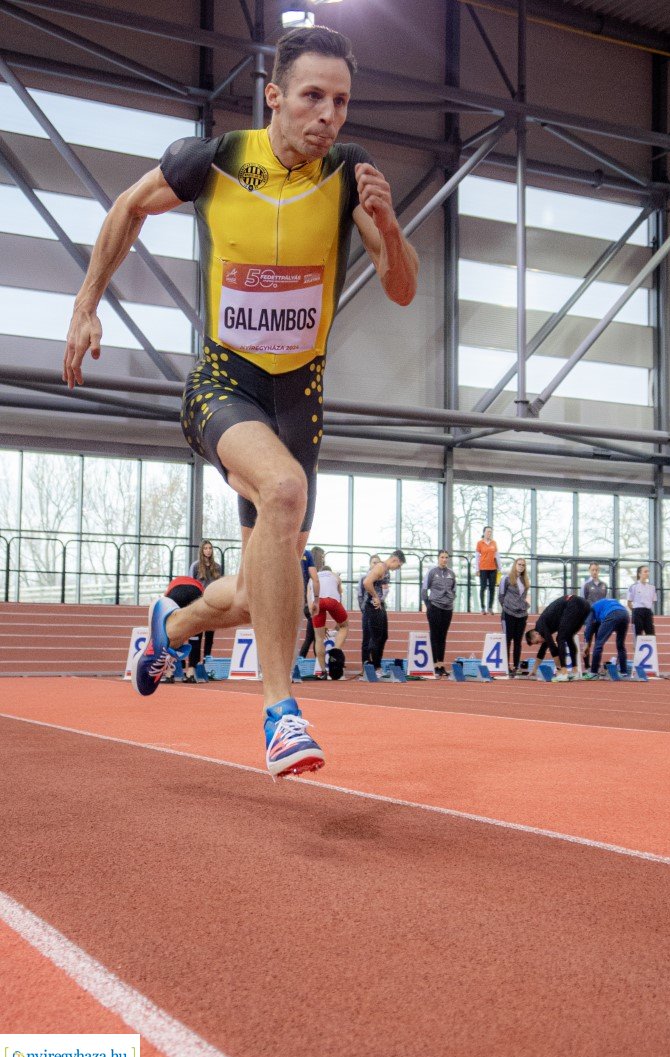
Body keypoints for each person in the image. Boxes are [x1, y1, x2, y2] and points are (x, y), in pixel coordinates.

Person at [64, 25, 418, 779]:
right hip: (223, 382)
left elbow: (401, 286)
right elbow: (129, 206)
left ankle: (171, 627)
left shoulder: (350, 175)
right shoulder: (215, 161)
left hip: (301, 399)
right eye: (314, 97)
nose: (329, 115)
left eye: (342, 101)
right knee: (283, 491)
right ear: (276, 98)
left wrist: (386, 223)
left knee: (268, 587)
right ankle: (281, 714)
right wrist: (86, 304)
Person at [525, 593, 590, 681]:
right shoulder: (541, 631)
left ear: (536, 634)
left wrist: (559, 669)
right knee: (568, 636)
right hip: (585, 605)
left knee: (560, 638)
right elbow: (542, 651)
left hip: (574, 603)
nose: (539, 643)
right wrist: (534, 670)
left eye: (537, 642)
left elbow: (552, 647)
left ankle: (564, 673)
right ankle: (575, 672)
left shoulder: (541, 625)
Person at [361, 550, 406, 674]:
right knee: (375, 637)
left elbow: (384, 588)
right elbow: (366, 582)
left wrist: (381, 599)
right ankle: (374, 667)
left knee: (384, 636)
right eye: (399, 565)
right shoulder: (380, 567)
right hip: (372, 606)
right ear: (394, 560)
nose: (398, 568)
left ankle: (376, 665)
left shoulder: (387, 572)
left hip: (380, 606)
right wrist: (375, 597)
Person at [188, 539, 222, 671]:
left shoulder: (217, 567)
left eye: (210, 548)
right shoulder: (195, 566)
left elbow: (220, 585)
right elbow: (190, 584)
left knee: (210, 635)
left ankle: (207, 662)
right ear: (201, 551)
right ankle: (194, 664)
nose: (208, 550)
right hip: (199, 603)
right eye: (206, 548)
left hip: (213, 604)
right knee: (197, 635)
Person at [163, 575, 204, 683]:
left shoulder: (171, 587)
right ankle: (191, 673)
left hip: (176, 595)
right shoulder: (199, 586)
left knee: (171, 633)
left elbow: (165, 604)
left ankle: (169, 673)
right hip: (196, 594)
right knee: (196, 634)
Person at [422, 550, 456, 677]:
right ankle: (434, 665)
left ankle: (441, 665)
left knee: (443, 636)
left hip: (448, 608)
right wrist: (428, 605)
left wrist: (451, 599)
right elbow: (424, 589)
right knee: (435, 636)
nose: (444, 559)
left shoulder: (451, 573)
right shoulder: (432, 572)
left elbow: (454, 589)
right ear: (438, 558)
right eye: (442, 557)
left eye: (446, 557)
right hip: (434, 607)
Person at [313, 563, 348, 679]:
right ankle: (335, 654)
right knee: (344, 626)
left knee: (319, 637)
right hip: (332, 600)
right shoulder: (335, 576)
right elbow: (339, 594)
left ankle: (323, 672)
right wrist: (339, 623)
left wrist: (321, 628)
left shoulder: (314, 577)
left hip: (316, 603)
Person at [583, 597, 630, 679]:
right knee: (620, 645)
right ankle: (624, 672)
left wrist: (586, 642)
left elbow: (589, 626)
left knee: (598, 644)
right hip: (625, 614)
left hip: (612, 614)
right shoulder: (605, 603)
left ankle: (593, 672)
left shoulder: (591, 609)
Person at [499, 557, 530, 675]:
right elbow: (501, 595)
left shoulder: (525, 580)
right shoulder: (506, 578)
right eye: (519, 564)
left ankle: (515, 666)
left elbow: (525, 597)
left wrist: (525, 606)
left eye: (523, 565)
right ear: (515, 565)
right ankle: (506, 666)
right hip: (508, 614)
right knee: (507, 640)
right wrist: (507, 607)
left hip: (522, 615)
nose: (521, 566)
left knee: (518, 642)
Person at [358, 554, 384, 666]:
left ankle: (375, 665)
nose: (376, 565)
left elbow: (383, 594)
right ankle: (365, 665)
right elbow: (360, 595)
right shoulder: (364, 578)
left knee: (377, 638)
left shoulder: (382, 577)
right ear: (369, 564)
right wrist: (363, 609)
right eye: (374, 562)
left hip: (378, 611)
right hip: (367, 611)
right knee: (367, 638)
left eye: (378, 563)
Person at [581, 561, 607, 662]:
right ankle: (587, 666)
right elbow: (583, 600)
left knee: (599, 641)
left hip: (600, 616)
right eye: (593, 570)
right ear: (589, 571)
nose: (595, 572)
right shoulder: (585, 585)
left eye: (596, 570)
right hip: (590, 616)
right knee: (587, 640)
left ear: (599, 571)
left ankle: (595, 665)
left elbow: (604, 600)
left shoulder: (604, 585)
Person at [298, 547, 321, 658]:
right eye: (322, 557)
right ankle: (319, 666)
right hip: (308, 603)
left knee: (313, 636)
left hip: (297, 600)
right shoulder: (307, 555)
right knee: (314, 636)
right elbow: (314, 582)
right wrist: (314, 600)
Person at [627, 565, 657, 637]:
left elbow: (653, 601)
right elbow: (629, 602)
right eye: (645, 572)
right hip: (637, 612)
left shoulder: (652, 588)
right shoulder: (633, 586)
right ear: (639, 574)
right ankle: (637, 648)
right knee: (638, 634)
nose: (647, 573)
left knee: (651, 634)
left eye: (648, 571)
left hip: (648, 612)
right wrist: (635, 611)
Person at [475, 526, 499, 614]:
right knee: (483, 587)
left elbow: (497, 556)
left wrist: (499, 568)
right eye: (488, 531)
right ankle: (482, 608)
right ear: (484, 532)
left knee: (492, 589)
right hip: (483, 569)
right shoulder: (479, 543)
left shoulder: (494, 543)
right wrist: (477, 569)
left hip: (493, 569)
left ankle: (490, 607)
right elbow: (477, 557)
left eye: (490, 532)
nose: (489, 533)